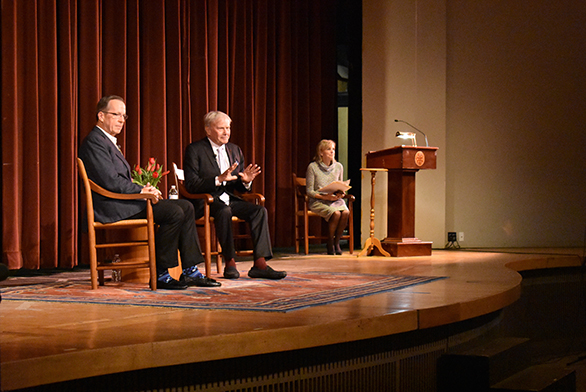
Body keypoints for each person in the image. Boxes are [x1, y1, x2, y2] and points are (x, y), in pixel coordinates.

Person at [78, 95, 220, 290]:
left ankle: (190, 270)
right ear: (101, 116)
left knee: (186, 206)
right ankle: (161, 273)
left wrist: (144, 189)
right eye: (116, 114)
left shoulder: (106, 141)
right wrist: (142, 190)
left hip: (124, 200)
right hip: (111, 205)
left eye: (124, 116)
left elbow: (117, 180)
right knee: (174, 212)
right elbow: (110, 181)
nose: (121, 120)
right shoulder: (95, 141)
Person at [183, 111, 286, 280]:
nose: (226, 132)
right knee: (224, 211)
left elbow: (239, 188)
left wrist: (246, 181)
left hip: (229, 198)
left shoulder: (234, 150)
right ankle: (230, 261)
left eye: (228, 128)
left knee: (259, 211)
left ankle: (260, 264)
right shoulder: (195, 150)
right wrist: (218, 179)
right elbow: (191, 184)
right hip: (206, 201)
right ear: (208, 130)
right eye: (221, 128)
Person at [306, 139, 350, 255]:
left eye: (333, 149)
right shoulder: (313, 167)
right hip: (319, 200)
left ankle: (337, 242)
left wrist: (341, 193)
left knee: (345, 212)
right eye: (329, 149)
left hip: (335, 200)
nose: (332, 152)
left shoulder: (338, 167)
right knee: (335, 213)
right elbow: (309, 191)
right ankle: (330, 242)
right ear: (321, 152)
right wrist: (325, 198)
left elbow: (339, 185)